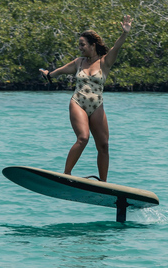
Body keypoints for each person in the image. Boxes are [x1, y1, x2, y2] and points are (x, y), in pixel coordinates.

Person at [40, 15, 133, 182]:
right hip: (78, 102)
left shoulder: (105, 62)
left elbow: (116, 48)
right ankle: (66, 174)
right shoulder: (79, 62)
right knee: (83, 138)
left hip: (97, 105)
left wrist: (124, 34)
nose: (80, 48)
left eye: (83, 45)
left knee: (103, 146)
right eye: (79, 45)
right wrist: (48, 74)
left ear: (93, 45)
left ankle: (103, 183)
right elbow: (58, 71)